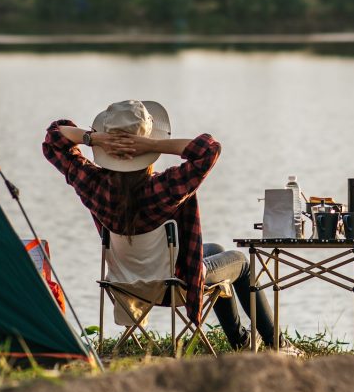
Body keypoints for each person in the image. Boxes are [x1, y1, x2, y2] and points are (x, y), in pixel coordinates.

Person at [42, 99, 291, 353]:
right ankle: (278, 344)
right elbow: (209, 149)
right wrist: (151, 145)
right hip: (174, 285)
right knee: (241, 262)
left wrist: (93, 139)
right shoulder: (165, 187)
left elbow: (53, 137)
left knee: (214, 248)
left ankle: (242, 340)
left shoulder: (92, 184)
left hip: (125, 284)